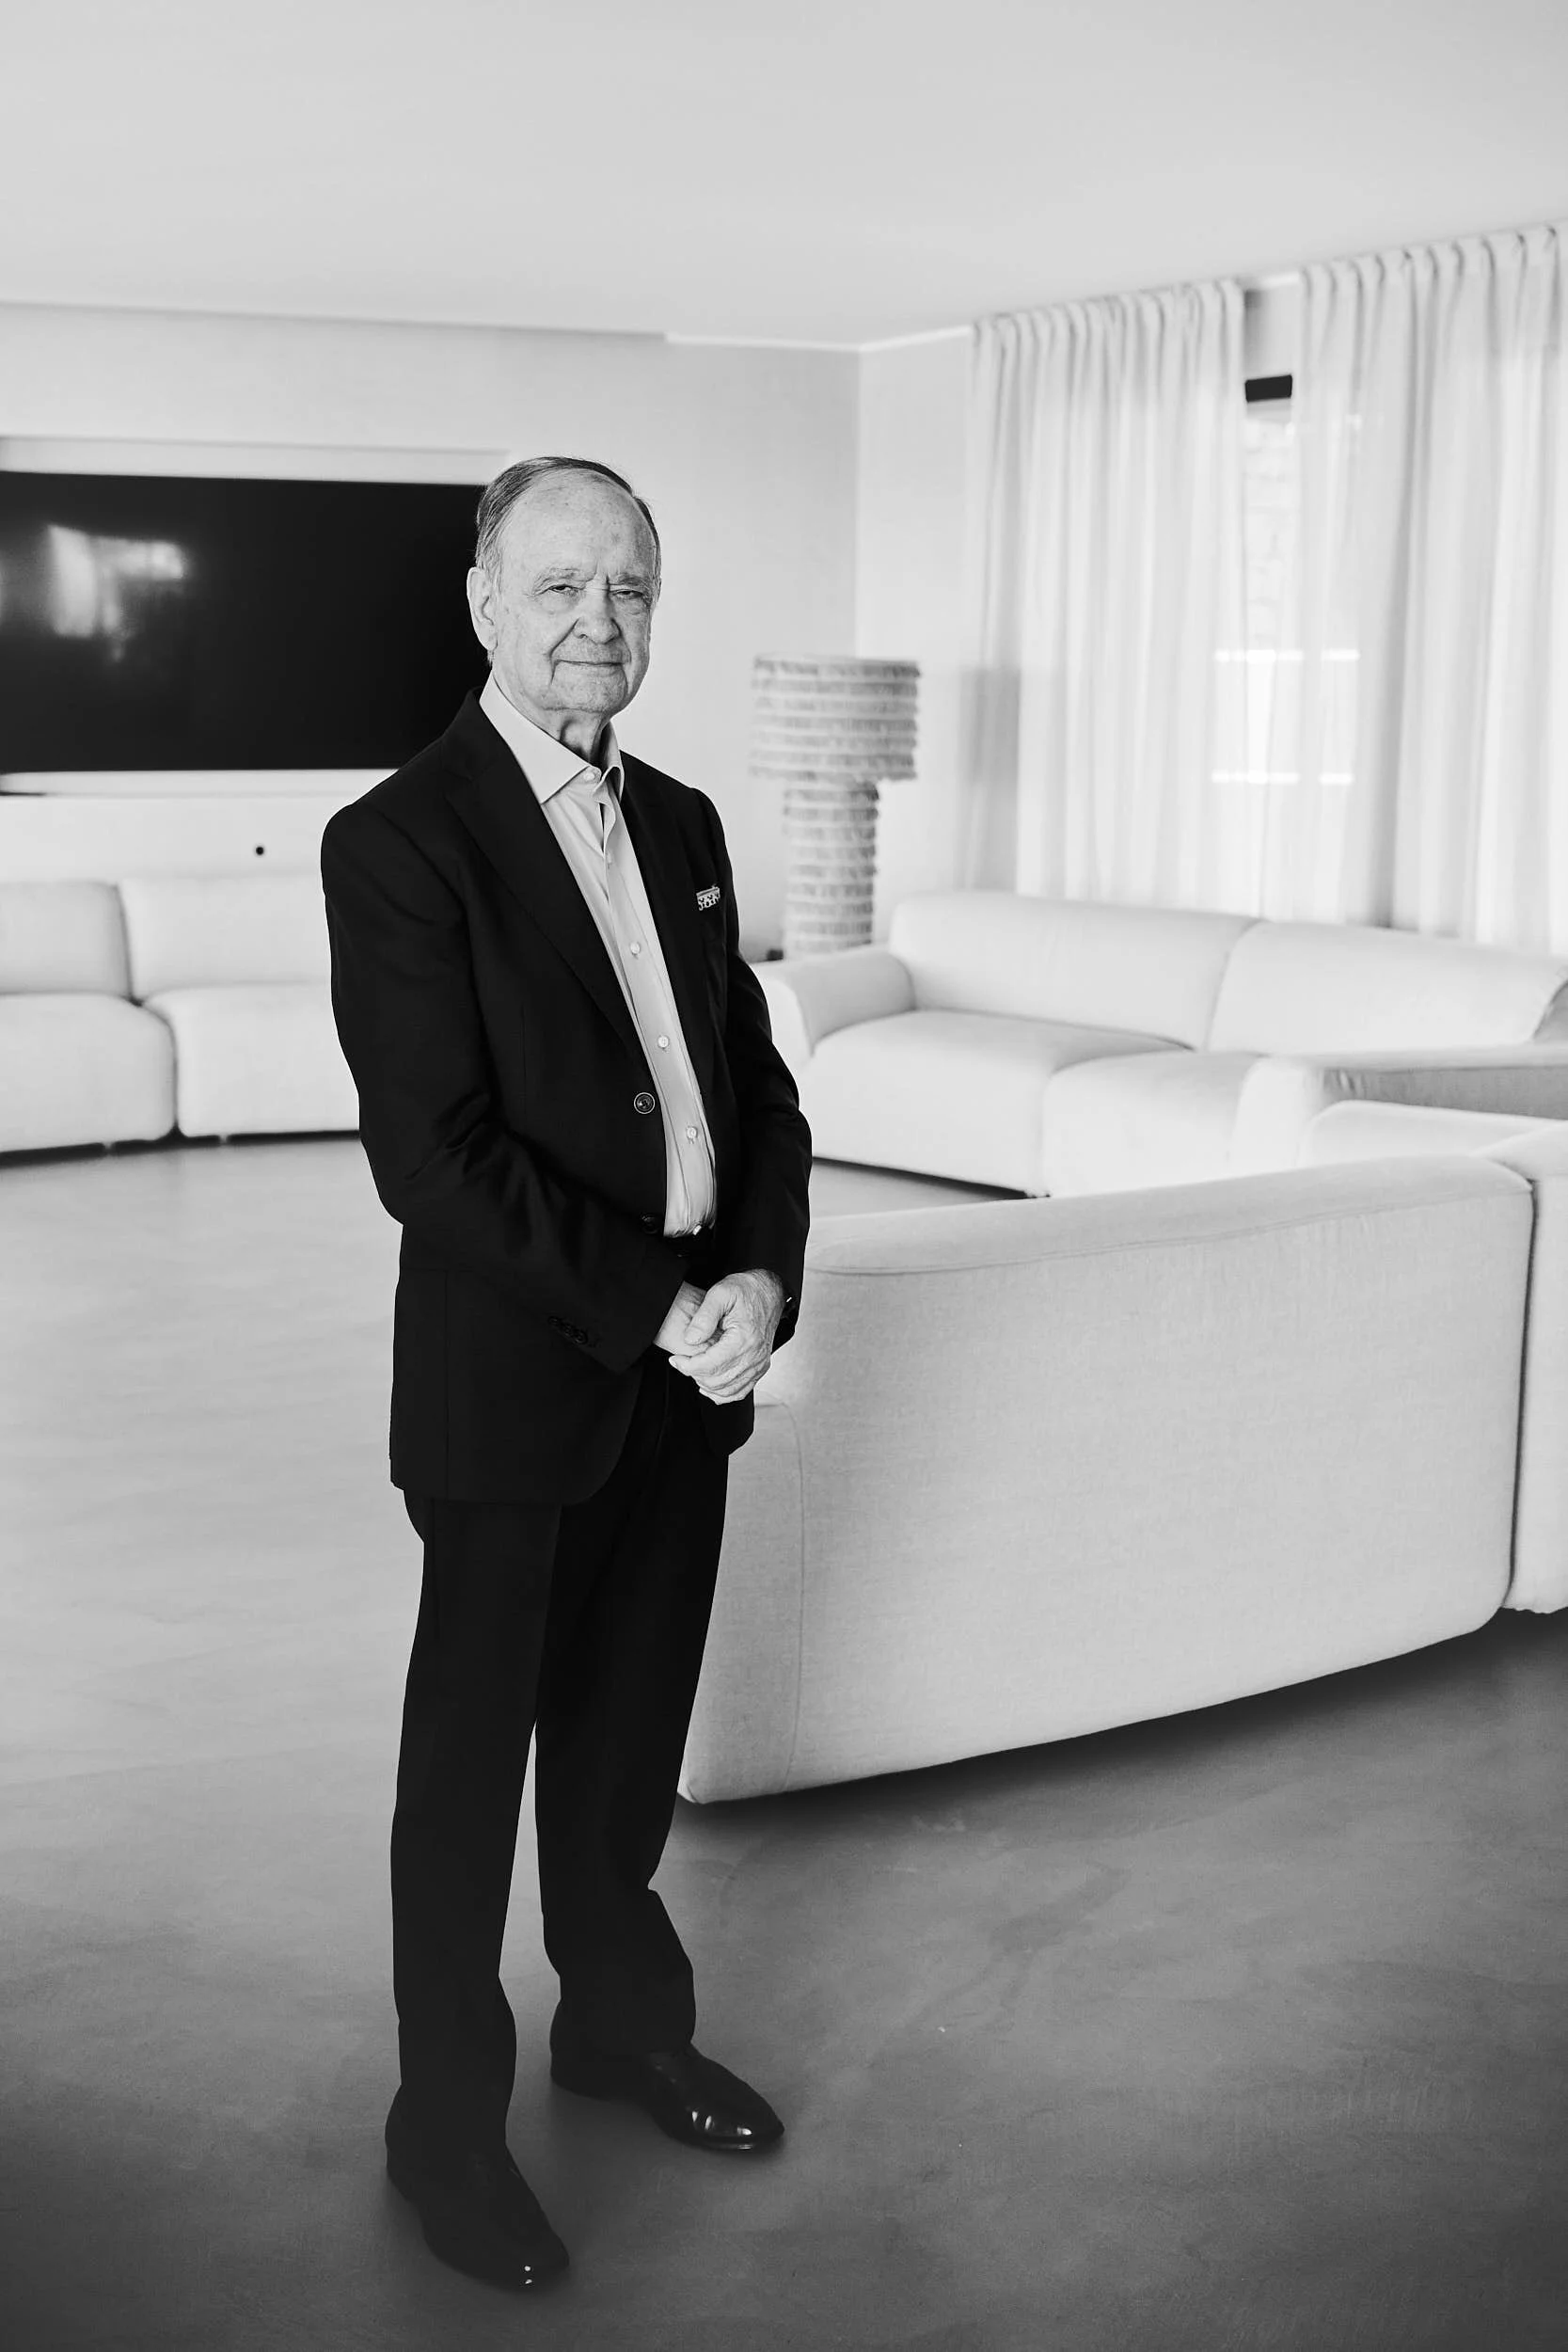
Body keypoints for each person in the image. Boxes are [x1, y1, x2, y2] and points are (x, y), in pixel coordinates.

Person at [320, 454, 812, 2292]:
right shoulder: (399, 840)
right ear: (483, 605)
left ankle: (620, 2029)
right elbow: (433, 1160)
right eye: (557, 586)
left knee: (622, 1752)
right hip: (513, 1390)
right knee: (467, 1780)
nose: (597, 621)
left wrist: (757, 1274)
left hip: (686, 1380)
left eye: (627, 587)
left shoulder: (679, 819)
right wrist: (659, 1302)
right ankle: (443, 2129)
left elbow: (751, 1091)